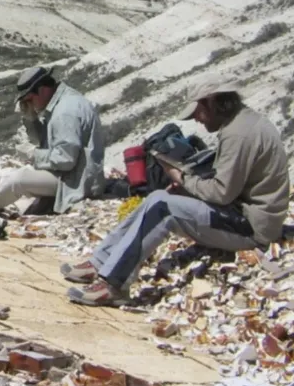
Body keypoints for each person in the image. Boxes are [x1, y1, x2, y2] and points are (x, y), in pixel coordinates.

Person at [63, 77, 290, 307]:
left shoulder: (237, 134)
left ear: (212, 103)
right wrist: (188, 187)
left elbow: (222, 193)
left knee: (163, 208)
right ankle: (101, 261)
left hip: (251, 227)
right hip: (245, 214)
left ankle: (114, 285)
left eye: (198, 113)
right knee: (157, 198)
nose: (197, 121)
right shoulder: (244, 122)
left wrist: (181, 178)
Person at [0, 66, 106, 215]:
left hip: (76, 183)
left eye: (29, 99)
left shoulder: (64, 113)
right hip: (77, 176)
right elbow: (49, 140)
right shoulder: (64, 101)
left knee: (19, 179)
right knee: (16, 178)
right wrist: (31, 120)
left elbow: (65, 160)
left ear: (42, 90)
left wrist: (34, 155)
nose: (30, 104)